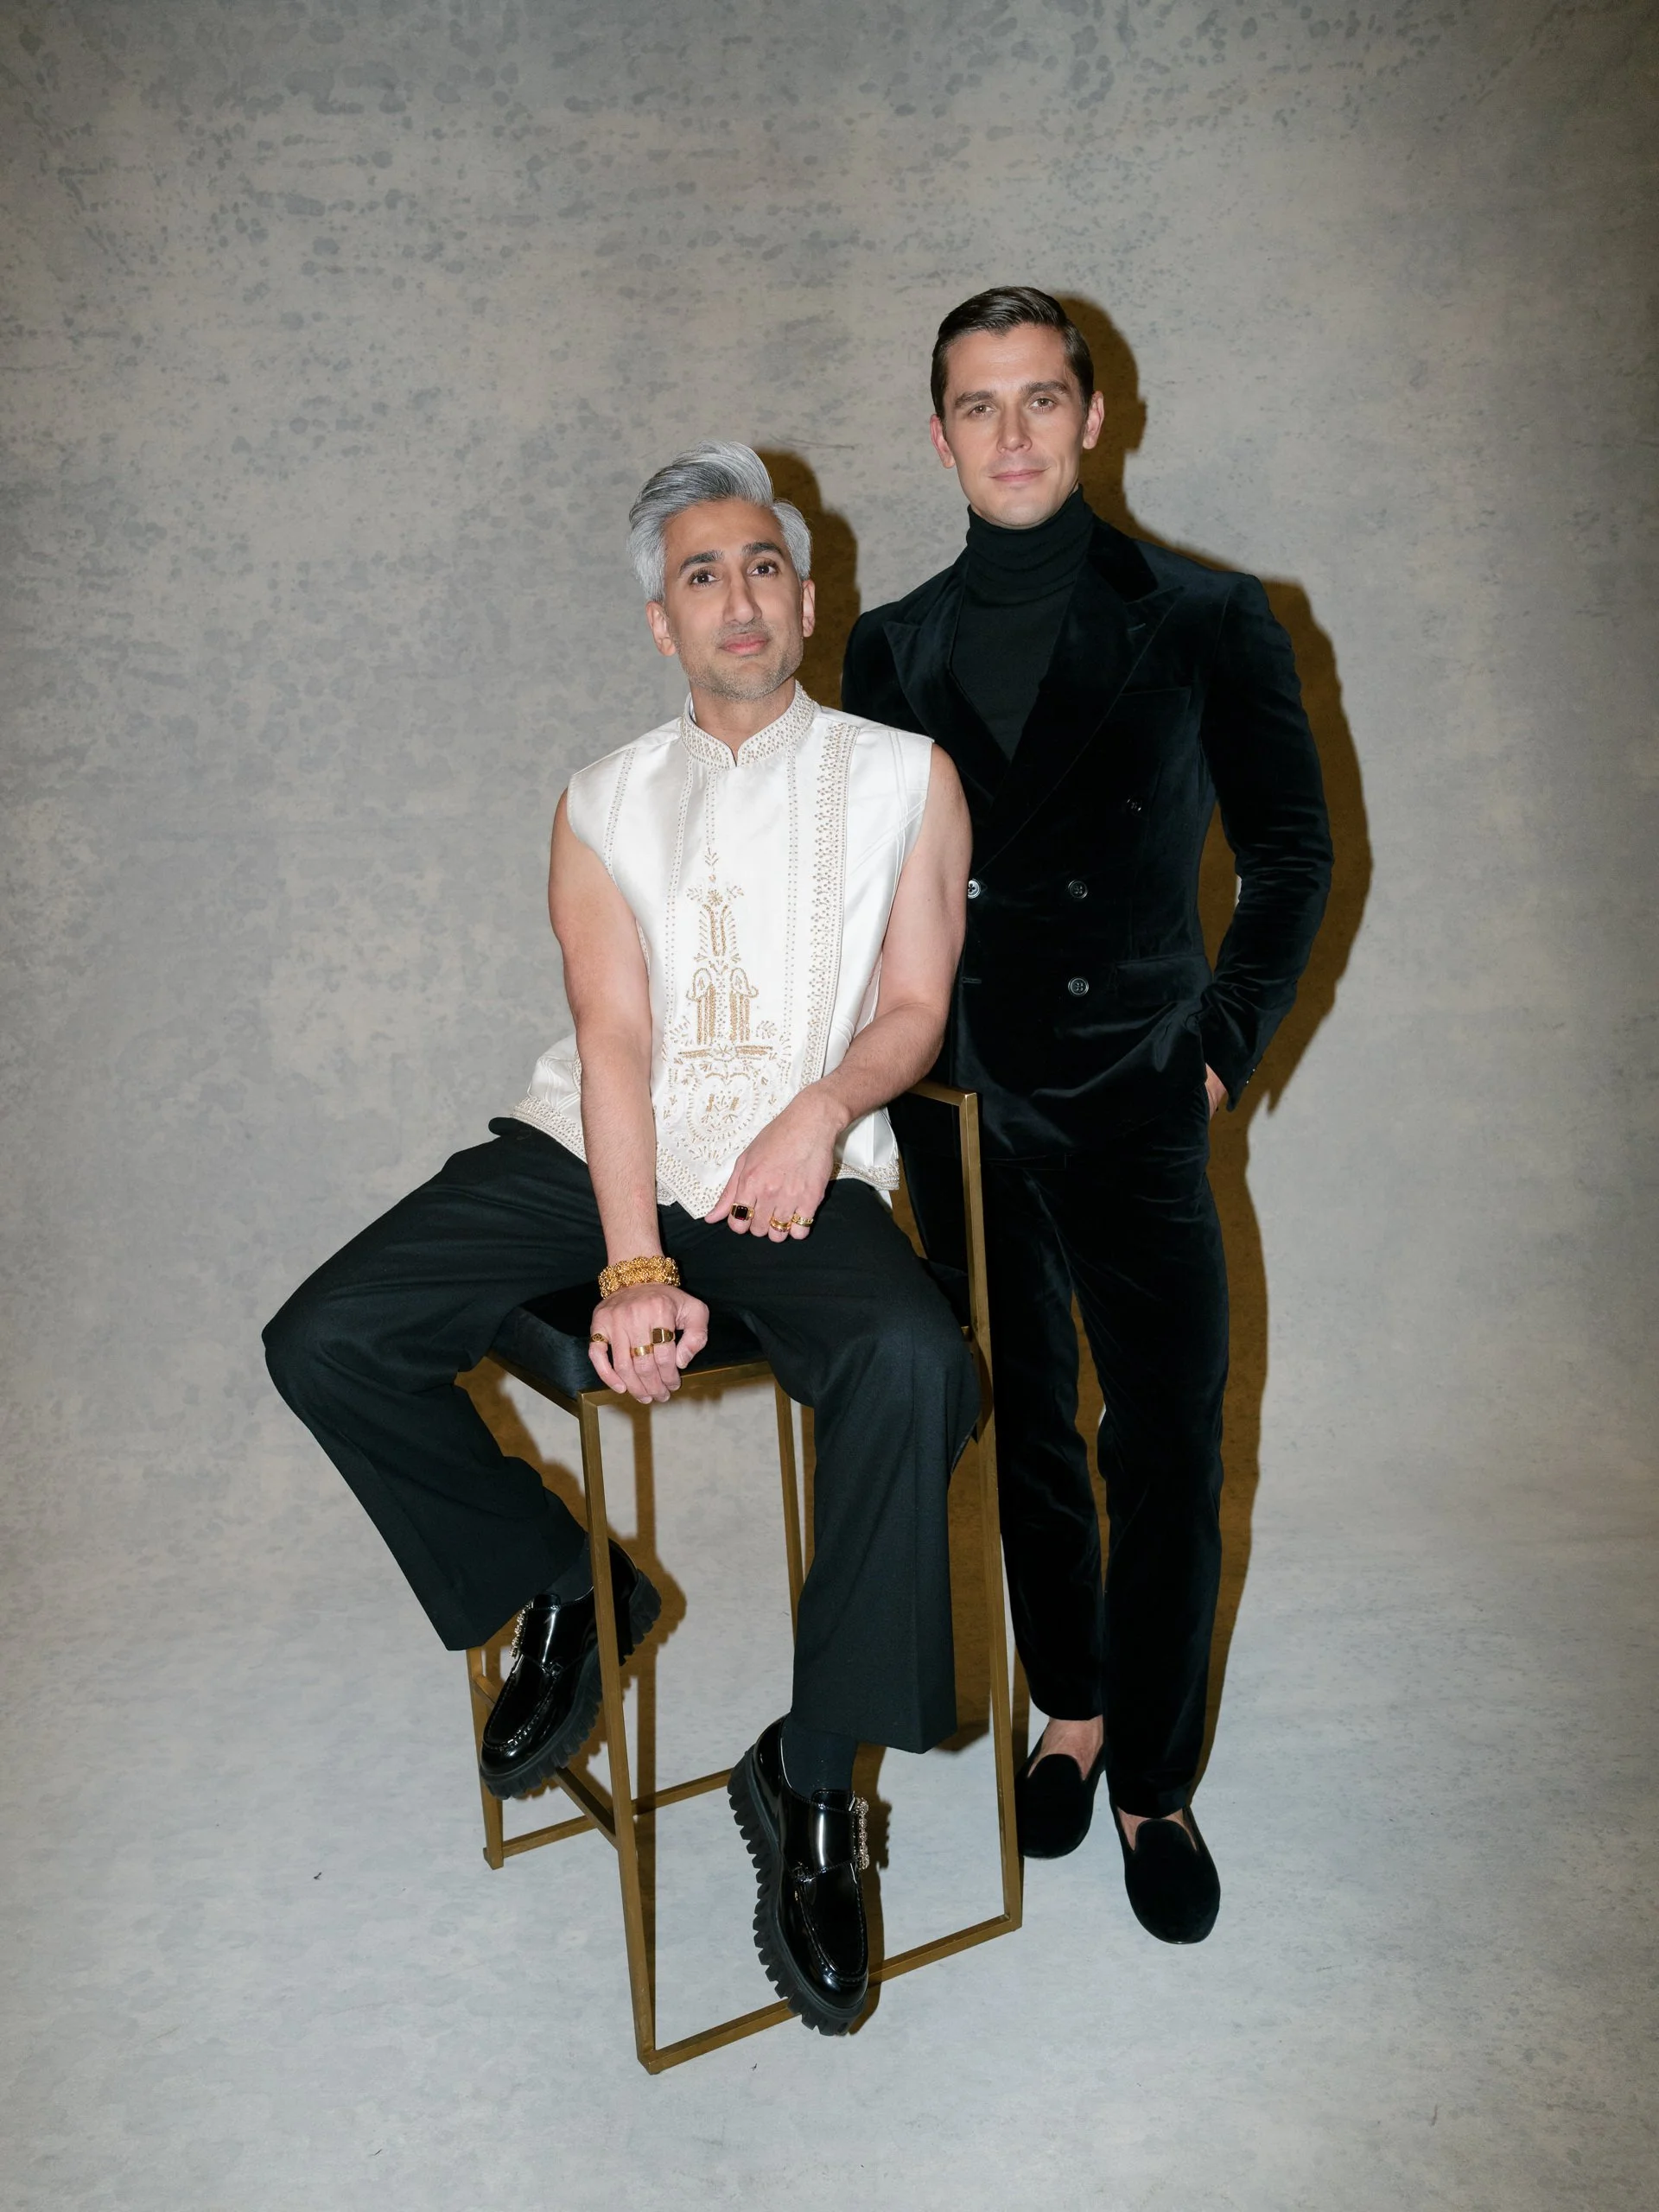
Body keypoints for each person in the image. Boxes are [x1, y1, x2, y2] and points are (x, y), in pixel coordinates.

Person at [264, 442, 976, 2034]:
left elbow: (917, 1008)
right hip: (598, 1150)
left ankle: (812, 1781)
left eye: (764, 567)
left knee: (919, 1363)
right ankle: (568, 1586)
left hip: (799, 1171)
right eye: (702, 576)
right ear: (664, 622)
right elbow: (615, 1040)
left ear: (808, 597)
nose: (739, 597)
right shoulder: (599, 801)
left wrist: (821, 1111)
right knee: (326, 1338)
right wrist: (636, 1263)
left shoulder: (906, 777)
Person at [842, 289, 1332, 1943]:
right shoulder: (890, 648)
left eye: (1041, 398)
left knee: (1169, 1442)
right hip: (962, 1110)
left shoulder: (1208, 617)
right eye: (979, 406)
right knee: (1031, 1429)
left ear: (1094, 415)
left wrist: (1216, 1053)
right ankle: (1074, 1709)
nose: (1014, 432)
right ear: (940, 437)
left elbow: (1294, 857)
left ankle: (1157, 1782)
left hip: (1134, 1098)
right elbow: (867, 890)